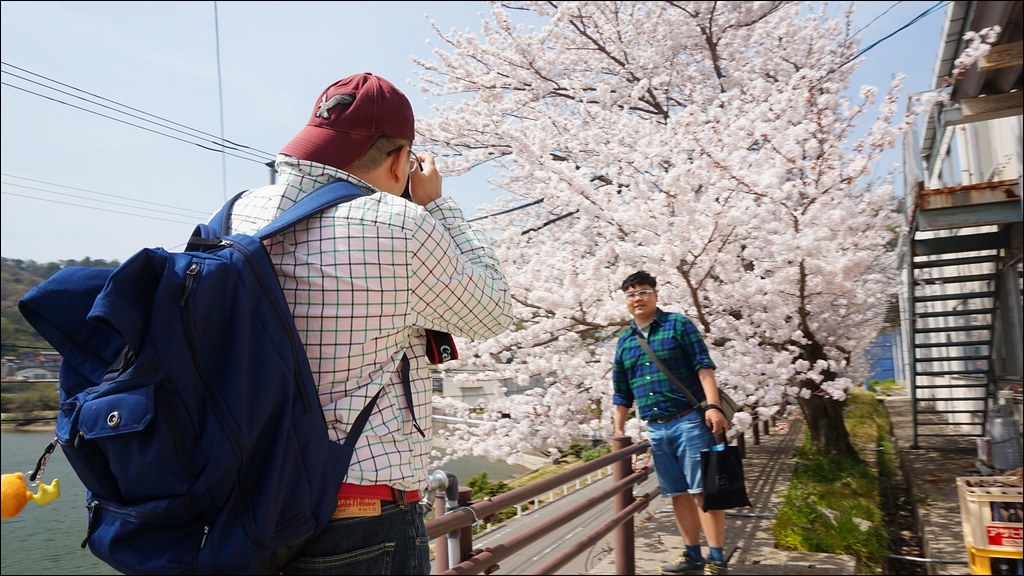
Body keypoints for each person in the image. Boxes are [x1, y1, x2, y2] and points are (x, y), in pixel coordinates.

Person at [225, 72, 514, 574]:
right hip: (360, 508)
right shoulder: (400, 227)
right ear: (402, 159)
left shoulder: (237, 212)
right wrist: (437, 205)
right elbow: (493, 311)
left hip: (247, 499)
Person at [612, 270, 731, 575]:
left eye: (643, 291)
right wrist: (618, 431)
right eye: (631, 293)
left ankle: (716, 559)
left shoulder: (677, 324)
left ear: (655, 295)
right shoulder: (625, 340)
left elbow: (704, 366)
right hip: (655, 426)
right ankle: (692, 555)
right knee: (676, 493)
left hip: (689, 420)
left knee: (702, 490)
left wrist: (714, 406)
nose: (637, 298)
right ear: (625, 300)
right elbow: (622, 391)